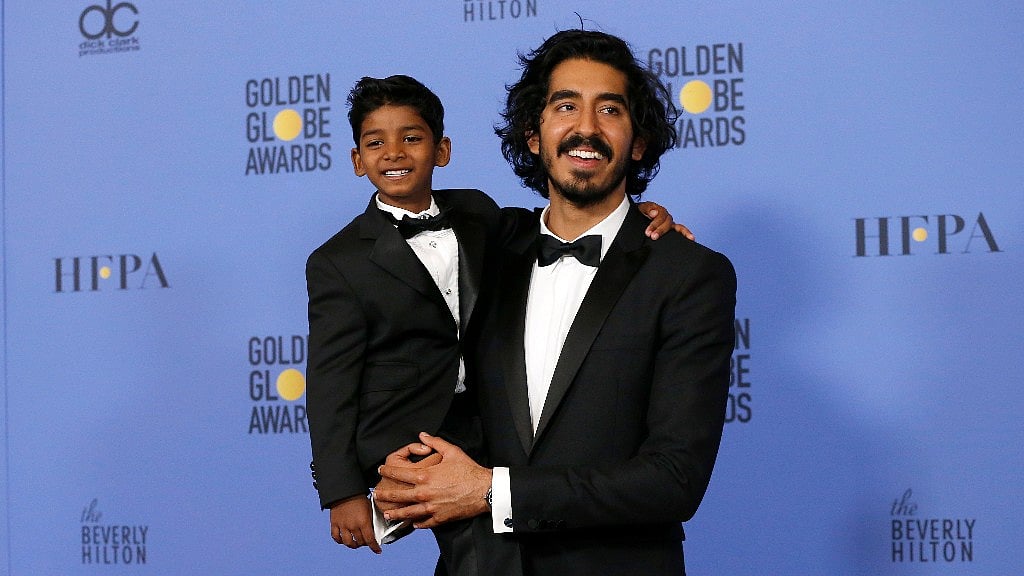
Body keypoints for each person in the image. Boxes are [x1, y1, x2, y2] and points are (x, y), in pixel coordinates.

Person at [375, 30, 737, 576]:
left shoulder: (689, 275)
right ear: (534, 135)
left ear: (638, 141)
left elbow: (673, 480)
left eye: (609, 109)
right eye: (565, 106)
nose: (585, 127)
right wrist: (377, 484)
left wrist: (492, 492)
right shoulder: (479, 251)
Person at [304, 74, 687, 574]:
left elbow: (561, 224)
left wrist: (642, 218)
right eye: (376, 143)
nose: (394, 152)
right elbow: (330, 384)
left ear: (442, 151)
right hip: (413, 434)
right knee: (481, 543)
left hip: (492, 416)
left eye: (412, 138)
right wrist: (342, 491)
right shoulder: (337, 261)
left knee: (507, 528)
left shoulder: (477, 212)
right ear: (357, 160)